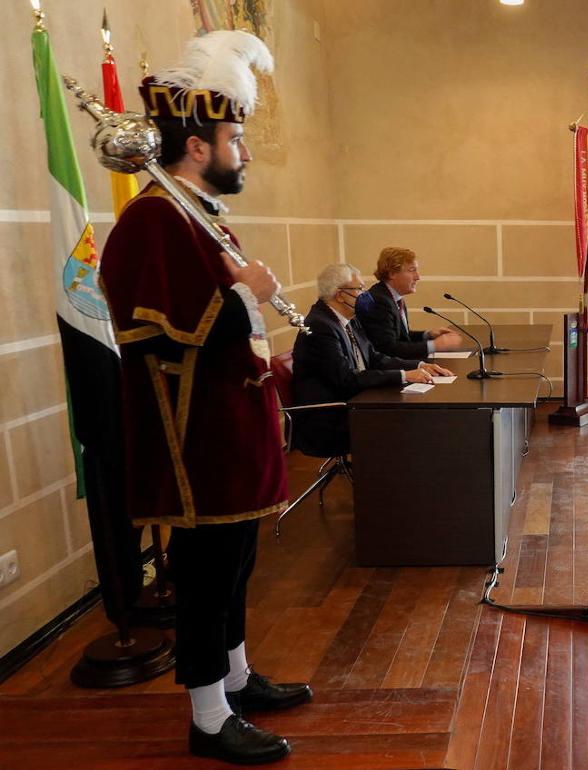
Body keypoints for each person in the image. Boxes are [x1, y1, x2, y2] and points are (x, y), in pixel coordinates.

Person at [100, 31, 308, 764]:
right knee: (204, 578)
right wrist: (244, 292)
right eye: (235, 139)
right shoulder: (153, 219)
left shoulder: (196, 214)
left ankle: (239, 678)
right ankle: (208, 715)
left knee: (236, 567)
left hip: (231, 426)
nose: (242, 153)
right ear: (195, 147)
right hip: (195, 440)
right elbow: (157, 325)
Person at [292, 264, 452, 457]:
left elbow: (375, 357)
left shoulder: (348, 318)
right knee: (406, 422)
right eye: (359, 289)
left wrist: (418, 365)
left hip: (356, 402)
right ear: (340, 295)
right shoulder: (319, 327)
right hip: (329, 418)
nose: (365, 294)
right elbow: (347, 380)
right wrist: (404, 375)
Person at [356, 246, 463, 359]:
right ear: (392, 273)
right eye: (412, 270)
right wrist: (434, 345)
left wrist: (427, 335)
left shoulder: (394, 297)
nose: (418, 277)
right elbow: (388, 349)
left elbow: (400, 336)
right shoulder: (379, 301)